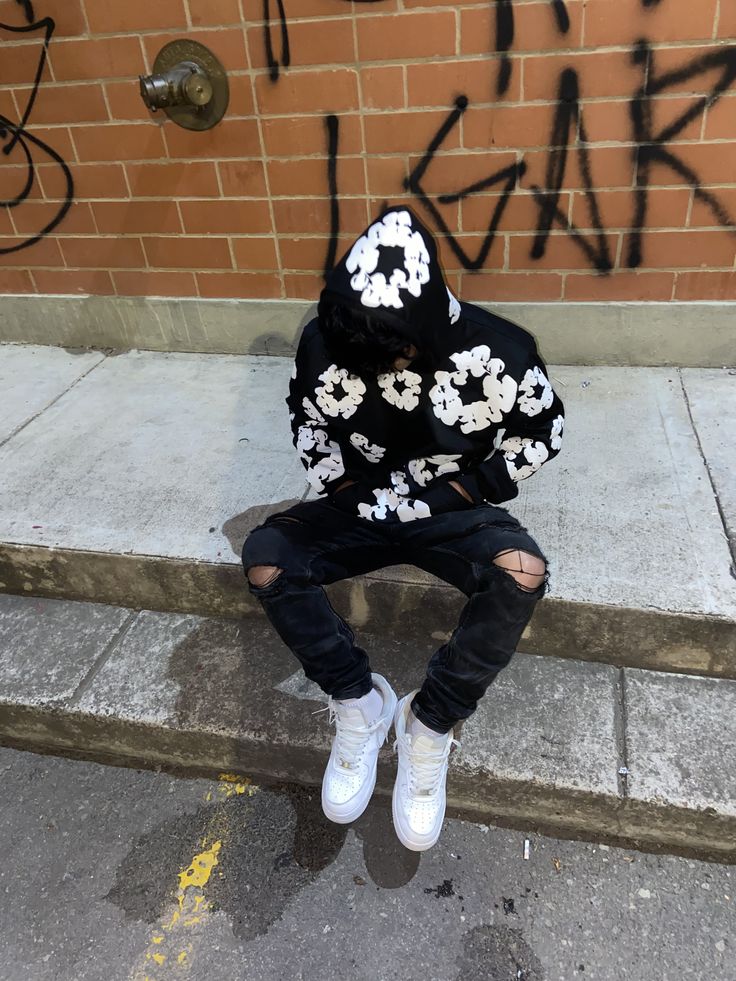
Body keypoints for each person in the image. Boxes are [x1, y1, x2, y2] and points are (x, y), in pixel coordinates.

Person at [242, 206, 564, 852]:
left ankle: (429, 721)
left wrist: (464, 489)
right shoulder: (326, 341)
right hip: (359, 503)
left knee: (523, 573)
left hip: (452, 508)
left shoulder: (497, 349)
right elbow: (306, 419)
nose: (379, 365)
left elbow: (543, 431)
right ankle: (360, 703)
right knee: (267, 557)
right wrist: (344, 487)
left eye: (391, 354)